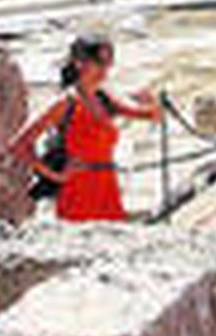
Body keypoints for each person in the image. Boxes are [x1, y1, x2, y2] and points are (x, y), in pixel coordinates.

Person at [11, 33, 163, 223]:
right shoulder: (65, 102)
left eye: (109, 63)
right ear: (79, 63)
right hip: (78, 191)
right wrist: (56, 176)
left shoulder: (104, 98)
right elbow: (19, 145)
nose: (105, 70)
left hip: (108, 189)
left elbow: (152, 116)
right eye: (99, 62)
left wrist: (152, 101)